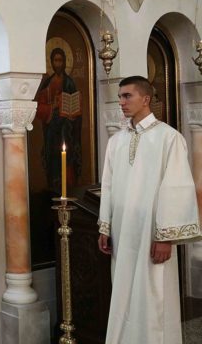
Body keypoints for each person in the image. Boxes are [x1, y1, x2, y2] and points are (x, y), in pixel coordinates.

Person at [97, 76, 201, 344]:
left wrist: (165, 237)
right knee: (123, 292)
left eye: (127, 96)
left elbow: (176, 187)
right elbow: (107, 184)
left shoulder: (169, 138)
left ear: (145, 99)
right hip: (122, 232)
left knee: (154, 294)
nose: (121, 102)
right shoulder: (116, 141)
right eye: (120, 97)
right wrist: (105, 226)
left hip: (151, 233)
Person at [35, 47, 82, 193]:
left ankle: (68, 185)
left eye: (60, 60)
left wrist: (73, 114)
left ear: (65, 62)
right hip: (51, 129)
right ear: (51, 62)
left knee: (67, 155)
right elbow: (38, 108)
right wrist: (53, 106)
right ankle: (53, 185)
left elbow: (75, 104)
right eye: (55, 60)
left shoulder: (69, 83)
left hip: (67, 128)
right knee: (53, 157)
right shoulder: (47, 84)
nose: (58, 64)